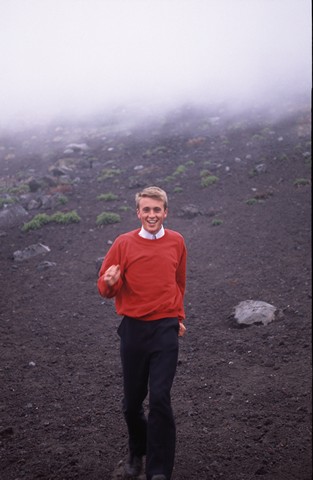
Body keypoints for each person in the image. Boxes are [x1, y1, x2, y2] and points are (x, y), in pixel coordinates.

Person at [97, 186, 187, 480]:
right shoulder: (123, 244)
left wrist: (179, 317)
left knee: (160, 398)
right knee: (132, 403)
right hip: (134, 330)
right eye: (146, 210)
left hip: (165, 328)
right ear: (138, 213)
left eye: (156, 210)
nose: (151, 215)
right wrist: (110, 282)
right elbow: (104, 289)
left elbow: (178, 283)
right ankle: (137, 450)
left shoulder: (177, 242)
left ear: (165, 212)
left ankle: (158, 471)